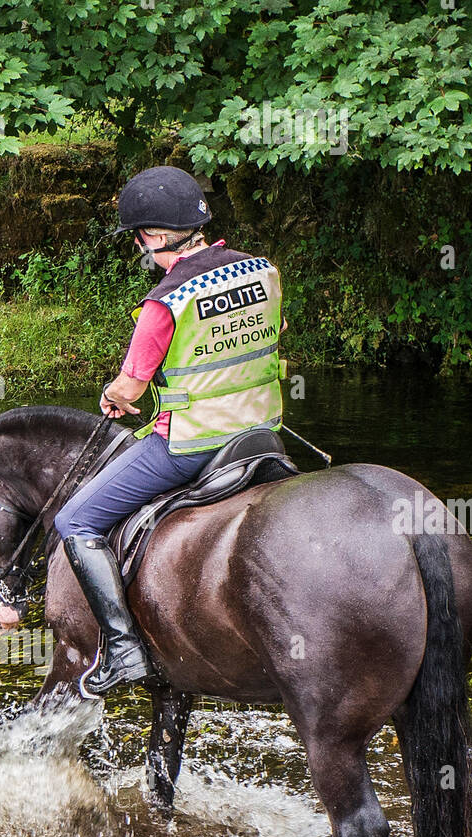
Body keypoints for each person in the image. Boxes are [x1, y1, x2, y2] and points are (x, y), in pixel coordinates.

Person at [55, 165, 286, 696]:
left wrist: (112, 398)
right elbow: (268, 337)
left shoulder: (164, 303)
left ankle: (122, 649)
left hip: (191, 445)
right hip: (260, 434)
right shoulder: (264, 271)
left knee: (76, 521)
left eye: (141, 238)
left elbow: (132, 386)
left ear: (156, 237)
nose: (142, 247)